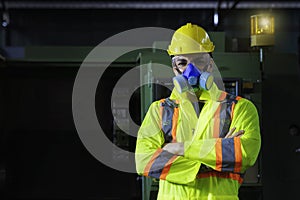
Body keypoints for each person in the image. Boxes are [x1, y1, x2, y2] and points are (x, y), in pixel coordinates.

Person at [135, 23, 261, 200]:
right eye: (182, 62)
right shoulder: (159, 111)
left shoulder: (239, 108)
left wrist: (178, 148)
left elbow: (244, 154)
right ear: (174, 68)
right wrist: (218, 154)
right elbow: (144, 162)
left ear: (210, 65)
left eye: (199, 61)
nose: (190, 70)